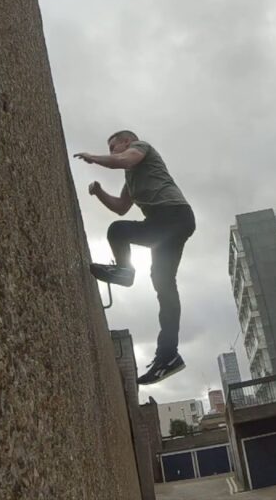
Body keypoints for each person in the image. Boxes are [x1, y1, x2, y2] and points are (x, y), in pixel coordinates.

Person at [74, 130, 195, 384]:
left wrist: (93, 158)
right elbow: (120, 207)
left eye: (113, 146)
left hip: (172, 215)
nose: (111, 152)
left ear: (127, 141)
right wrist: (98, 192)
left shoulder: (141, 148)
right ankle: (169, 356)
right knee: (163, 284)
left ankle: (124, 272)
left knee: (119, 232)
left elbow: (125, 160)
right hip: (168, 225)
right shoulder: (131, 179)